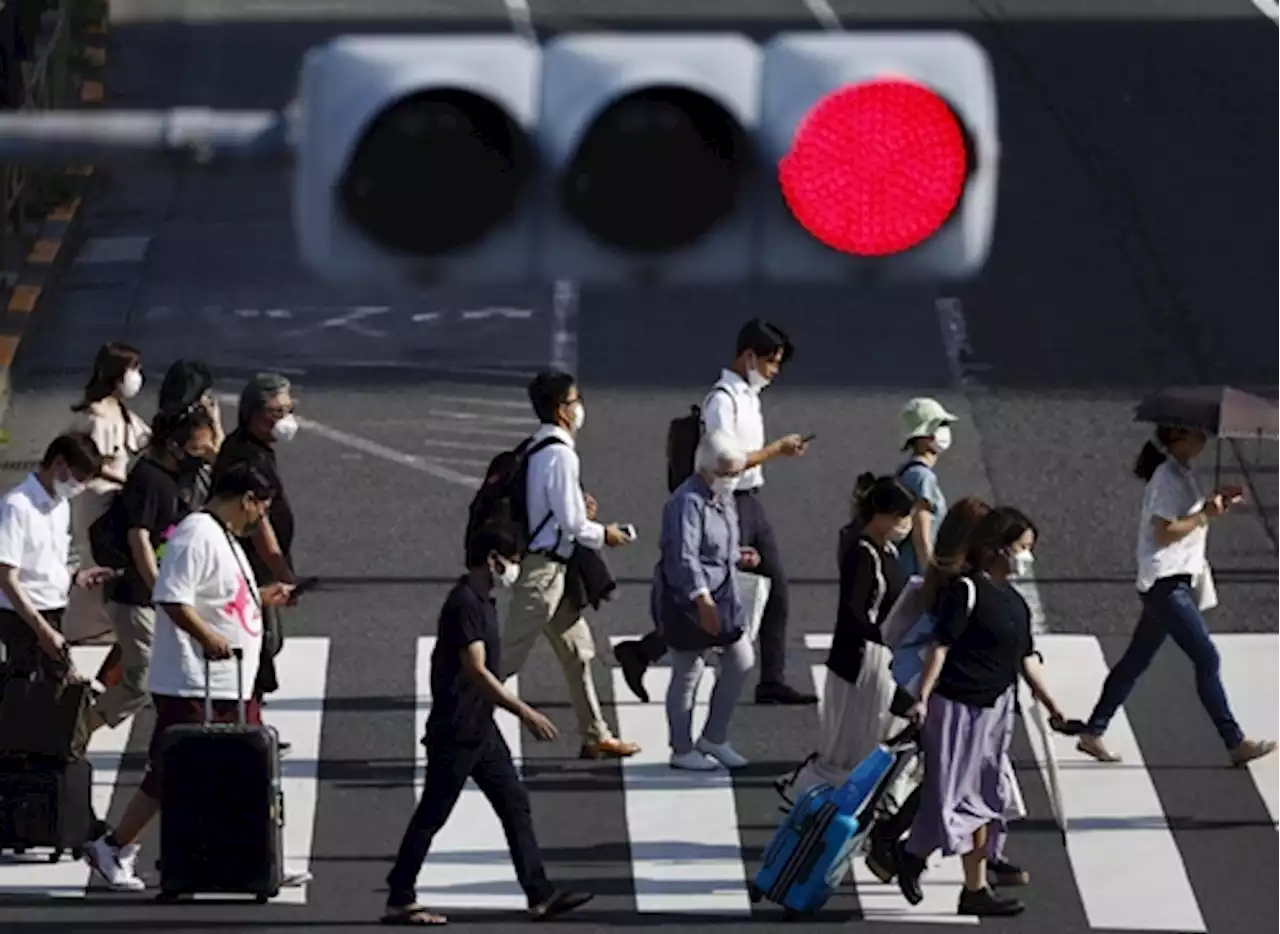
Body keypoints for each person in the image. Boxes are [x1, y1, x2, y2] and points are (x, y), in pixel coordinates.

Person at [83, 464, 308, 892]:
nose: (260, 519)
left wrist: (264, 597)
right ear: (245, 499)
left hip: (232, 681)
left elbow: (223, 595)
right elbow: (171, 596)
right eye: (260, 509)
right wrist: (208, 639)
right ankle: (113, 846)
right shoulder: (196, 534)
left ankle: (264, 854)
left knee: (254, 770)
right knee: (172, 770)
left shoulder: (222, 536)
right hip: (194, 679)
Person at [382, 525, 593, 926]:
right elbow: (476, 670)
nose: (514, 568)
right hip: (458, 728)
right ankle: (399, 896)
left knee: (514, 803)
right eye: (511, 561)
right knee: (433, 812)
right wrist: (525, 713)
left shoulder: (483, 599)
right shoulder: (465, 603)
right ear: (492, 559)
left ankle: (540, 895)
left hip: (479, 727)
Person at [615, 318, 812, 706]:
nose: (774, 372)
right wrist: (777, 450)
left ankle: (770, 679)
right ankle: (646, 651)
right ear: (748, 356)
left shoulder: (748, 396)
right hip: (726, 503)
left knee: (774, 590)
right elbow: (728, 461)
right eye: (771, 362)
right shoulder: (722, 400)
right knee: (719, 593)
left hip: (749, 500)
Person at [894, 508, 1070, 917]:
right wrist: (921, 697)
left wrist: (1057, 711)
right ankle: (913, 853)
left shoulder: (1015, 602)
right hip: (956, 708)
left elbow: (1026, 660)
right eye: (1023, 548)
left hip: (995, 711)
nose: (1027, 557)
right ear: (997, 548)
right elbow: (941, 646)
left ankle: (965, 883)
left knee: (986, 797)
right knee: (953, 799)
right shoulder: (966, 591)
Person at [1075, 426, 1275, 767]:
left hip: (1171, 579)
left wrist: (1214, 503)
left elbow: (1186, 521)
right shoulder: (1167, 478)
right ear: (1178, 439)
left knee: (1135, 661)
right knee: (1207, 658)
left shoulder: (1180, 473)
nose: (1203, 439)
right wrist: (1204, 515)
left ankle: (1093, 731)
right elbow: (1164, 531)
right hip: (1166, 583)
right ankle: (1234, 741)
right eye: (1196, 434)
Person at [863, 497, 1031, 890]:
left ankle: (969, 859)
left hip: (956, 694)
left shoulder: (953, 579)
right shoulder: (962, 586)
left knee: (956, 782)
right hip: (952, 695)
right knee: (956, 784)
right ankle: (906, 849)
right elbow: (945, 644)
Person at [499, 370, 639, 760]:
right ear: (562, 410)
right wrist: (606, 533)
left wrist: (580, 508)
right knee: (502, 662)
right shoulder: (560, 454)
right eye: (575, 401)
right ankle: (450, 728)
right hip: (543, 576)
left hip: (553, 572)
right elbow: (573, 524)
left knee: (578, 651)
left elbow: (556, 508)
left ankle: (595, 735)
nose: (580, 408)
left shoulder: (537, 447)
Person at [85, 408, 219, 735]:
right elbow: (138, 537)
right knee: (140, 682)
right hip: (136, 598)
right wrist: (160, 590)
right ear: (174, 445)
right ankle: (74, 731)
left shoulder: (173, 474)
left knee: (164, 676)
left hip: (152, 596)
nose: (202, 456)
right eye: (197, 448)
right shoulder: (150, 479)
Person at [790, 473, 916, 793]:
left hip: (883, 657)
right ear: (884, 516)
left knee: (878, 733)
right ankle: (820, 798)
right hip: (861, 662)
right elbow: (853, 612)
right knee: (850, 741)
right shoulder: (861, 553)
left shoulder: (887, 550)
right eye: (903, 517)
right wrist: (884, 636)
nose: (907, 525)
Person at [655, 430, 757, 771]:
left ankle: (714, 736)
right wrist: (703, 602)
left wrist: (738, 555)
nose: (731, 480)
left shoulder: (720, 497)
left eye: (736, 473)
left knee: (741, 659)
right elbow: (683, 558)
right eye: (725, 472)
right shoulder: (687, 502)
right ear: (705, 467)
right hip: (689, 598)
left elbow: (717, 544)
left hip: (723, 591)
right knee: (688, 670)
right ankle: (681, 748)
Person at [212, 373, 298, 721]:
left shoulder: (254, 449)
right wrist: (282, 571)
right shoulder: (246, 457)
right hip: (250, 570)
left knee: (267, 642)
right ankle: (245, 721)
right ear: (253, 414)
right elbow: (258, 524)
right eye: (277, 412)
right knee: (258, 644)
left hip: (259, 570)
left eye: (289, 410)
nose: (286, 420)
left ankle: (249, 717)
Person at [0, 433, 114, 679]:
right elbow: (6, 576)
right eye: (78, 479)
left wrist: (75, 576)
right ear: (58, 464)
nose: (79, 487)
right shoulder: (17, 506)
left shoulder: (60, 504)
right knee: (27, 689)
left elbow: (46, 560)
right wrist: (41, 629)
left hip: (55, 608)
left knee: (54, 687)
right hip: (23, 615)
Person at [62, 342, 151, 644]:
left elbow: (143, 439)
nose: (137, 377)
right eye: (133, 369)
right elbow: (92, 463)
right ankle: (82, 625)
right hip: (98, 499)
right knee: (98, 559)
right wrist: (124, 482)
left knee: (113, 560)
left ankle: (102, 623)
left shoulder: (120, 410)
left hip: (117, 497)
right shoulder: (96, 416)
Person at [895, 398, 959, 580]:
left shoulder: (907, 471)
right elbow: (922, 535)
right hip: (915, 575)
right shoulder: (923, 477)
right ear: (922, 438)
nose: (944, 431)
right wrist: (931, 577)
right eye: (939, 425)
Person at [157, 358, 224, 511]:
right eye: (204, 394)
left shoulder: (165, 418)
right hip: (190, 497)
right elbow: (220, 459)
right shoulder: (191, 427)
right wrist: (215, 422)